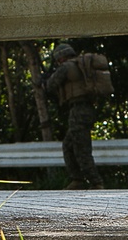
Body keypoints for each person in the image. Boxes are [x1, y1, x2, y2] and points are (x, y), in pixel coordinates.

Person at [45, 43, 105, 190]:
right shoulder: (81, 66)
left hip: (78, 110)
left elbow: (51, 84)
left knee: (81, 148)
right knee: (69, 145)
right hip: (86, 109)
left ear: (61, 57)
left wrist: (45, 81)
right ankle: (77, 179)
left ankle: (96, 182)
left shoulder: (67, 67)